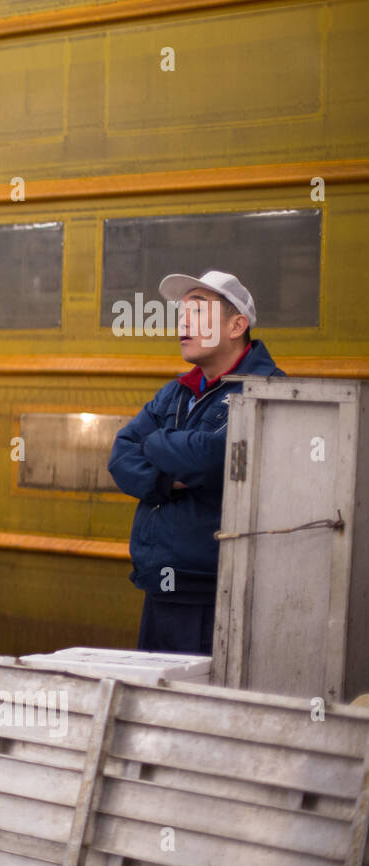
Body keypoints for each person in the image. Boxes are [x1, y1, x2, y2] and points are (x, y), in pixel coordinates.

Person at [108, 270, 283, 654]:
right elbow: (121, 455)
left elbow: (212, 460)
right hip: (161, 586)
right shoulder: (177, 391)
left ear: (237, 325)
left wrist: (154, 441)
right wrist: (169, 479)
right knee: (155, 706)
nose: (183, 323)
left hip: (217, 594)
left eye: (199, 311)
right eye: (181, 313)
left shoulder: (268, 392)